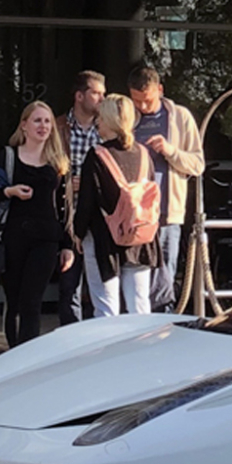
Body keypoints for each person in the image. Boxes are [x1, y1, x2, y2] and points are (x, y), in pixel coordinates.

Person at [0, 101, 76, 347]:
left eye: (47, 121)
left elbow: (66, 207)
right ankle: (12, 353)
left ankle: (26, 359)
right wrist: (9, 191)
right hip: (13, 238)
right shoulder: (7, 156)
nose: (43, 126)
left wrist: (67, 245)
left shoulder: (58, 162)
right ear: (24, 125)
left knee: (32, 302)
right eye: (37, 120)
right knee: (13, 301)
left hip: (46, 240)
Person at [126, 61, 204, 311]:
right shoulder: (128, 117)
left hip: (167, 213)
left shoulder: (180, 117)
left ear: (160, 89)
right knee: (135, 276)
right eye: (137, 101)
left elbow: (197, 164)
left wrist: (170, 151)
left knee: (164, 277)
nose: (142, 106)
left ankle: (163, 324)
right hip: (134, 214)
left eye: (147, 100)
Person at [82, 94, 160, 315]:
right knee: (140, 305)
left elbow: (87, 202)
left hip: (104, 239)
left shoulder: (97, 156)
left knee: (106, 308)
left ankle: (109, 350)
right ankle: (142, 348)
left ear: (109, 121)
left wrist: (77, 234)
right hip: (140, 236)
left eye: (100, 118)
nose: (98, 123)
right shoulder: (144, 155)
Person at [61, 70, 107, 323]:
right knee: (70, 286)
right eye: (96, 93)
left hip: (97, 218)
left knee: (101, 286)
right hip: (68, 216)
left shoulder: (106, 130)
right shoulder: (58, 127)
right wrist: (68, 186)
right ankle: (70, 341)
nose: (102, 99)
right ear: (79, 96)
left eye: (104, 94)